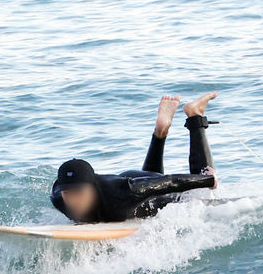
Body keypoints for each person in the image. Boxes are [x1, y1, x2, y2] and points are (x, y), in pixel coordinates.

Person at [50, 92, 219, 223]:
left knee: (198, 197)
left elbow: (169, 182)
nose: (74, 201)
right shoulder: (59, 198)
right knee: (141, 194)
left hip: (134, 186)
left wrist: (208, 180)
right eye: (68, 193)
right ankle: (160, 131)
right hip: (129, 183)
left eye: (79, 192)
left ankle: (194, 115)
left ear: (92, 187)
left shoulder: (123, 193)